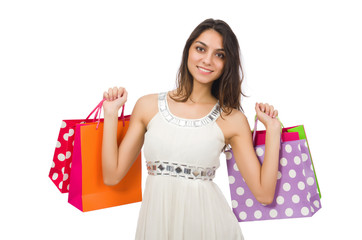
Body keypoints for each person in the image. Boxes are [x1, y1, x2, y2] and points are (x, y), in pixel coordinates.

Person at [101, 18, 281, 240]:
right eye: (200, 49)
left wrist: (273, 130)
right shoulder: (147, 106)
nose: (207, 60)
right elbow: (112, 176)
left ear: (228, 63)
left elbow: (264, 193)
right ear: (188, 50)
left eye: (220, 54)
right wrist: (110, 113)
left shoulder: (231, 119)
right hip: (157, 227)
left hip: (208, 228)